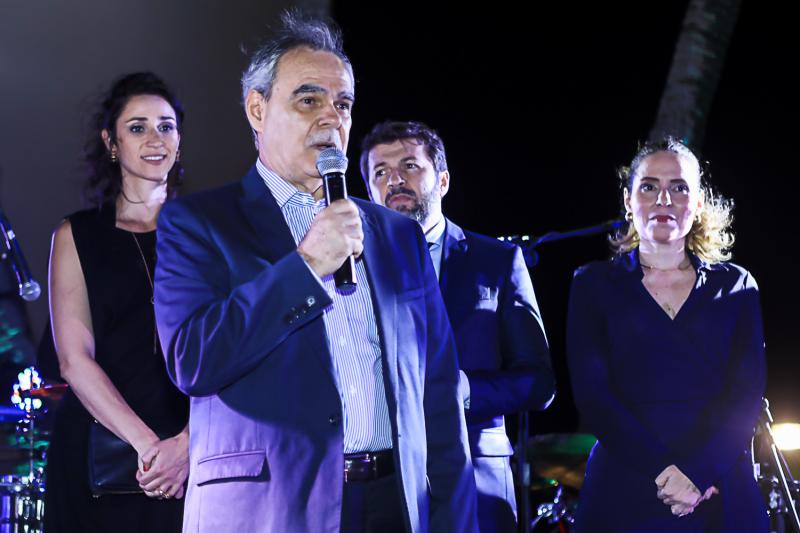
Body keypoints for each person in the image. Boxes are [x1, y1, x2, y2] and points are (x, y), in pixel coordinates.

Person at [153, 12, 476, 533]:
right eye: (309, 100)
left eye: (342, 104)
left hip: (395, 505)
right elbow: (194, 359)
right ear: (257, 109)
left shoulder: (397, 235)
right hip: (272, 510)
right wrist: (307, 268)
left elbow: (437, 391)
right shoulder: (199, 222)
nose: (331, 118)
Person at [361, 120, 555, 532]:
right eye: (381, 172)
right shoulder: (352, 269)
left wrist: (464, 389)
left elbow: (539, 383)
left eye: (409, 166)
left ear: (444, 180)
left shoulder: (498, 261)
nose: (395, 179)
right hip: (384, 488)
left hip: (478, 481)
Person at [566, 137, 768, 532]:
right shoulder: (592, 284)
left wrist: (699, 474)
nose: (664, 199)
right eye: (649, 186)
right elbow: (593, 395)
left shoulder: (737, 285)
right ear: (628, 201)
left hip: (720, 485)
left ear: (698, 203)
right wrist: (665, 473)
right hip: (625, 484)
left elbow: (746, 394)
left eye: (678, 187)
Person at [45, 72, 190, 532]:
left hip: (192, 453)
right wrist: (150, 448)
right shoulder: (77, 234)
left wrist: (187, 444)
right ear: (111, 142)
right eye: (138, 127)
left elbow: (233, 349)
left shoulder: (207, 230)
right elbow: (73, 361)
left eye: (166, 126)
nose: (155, 138)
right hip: (99, 456)